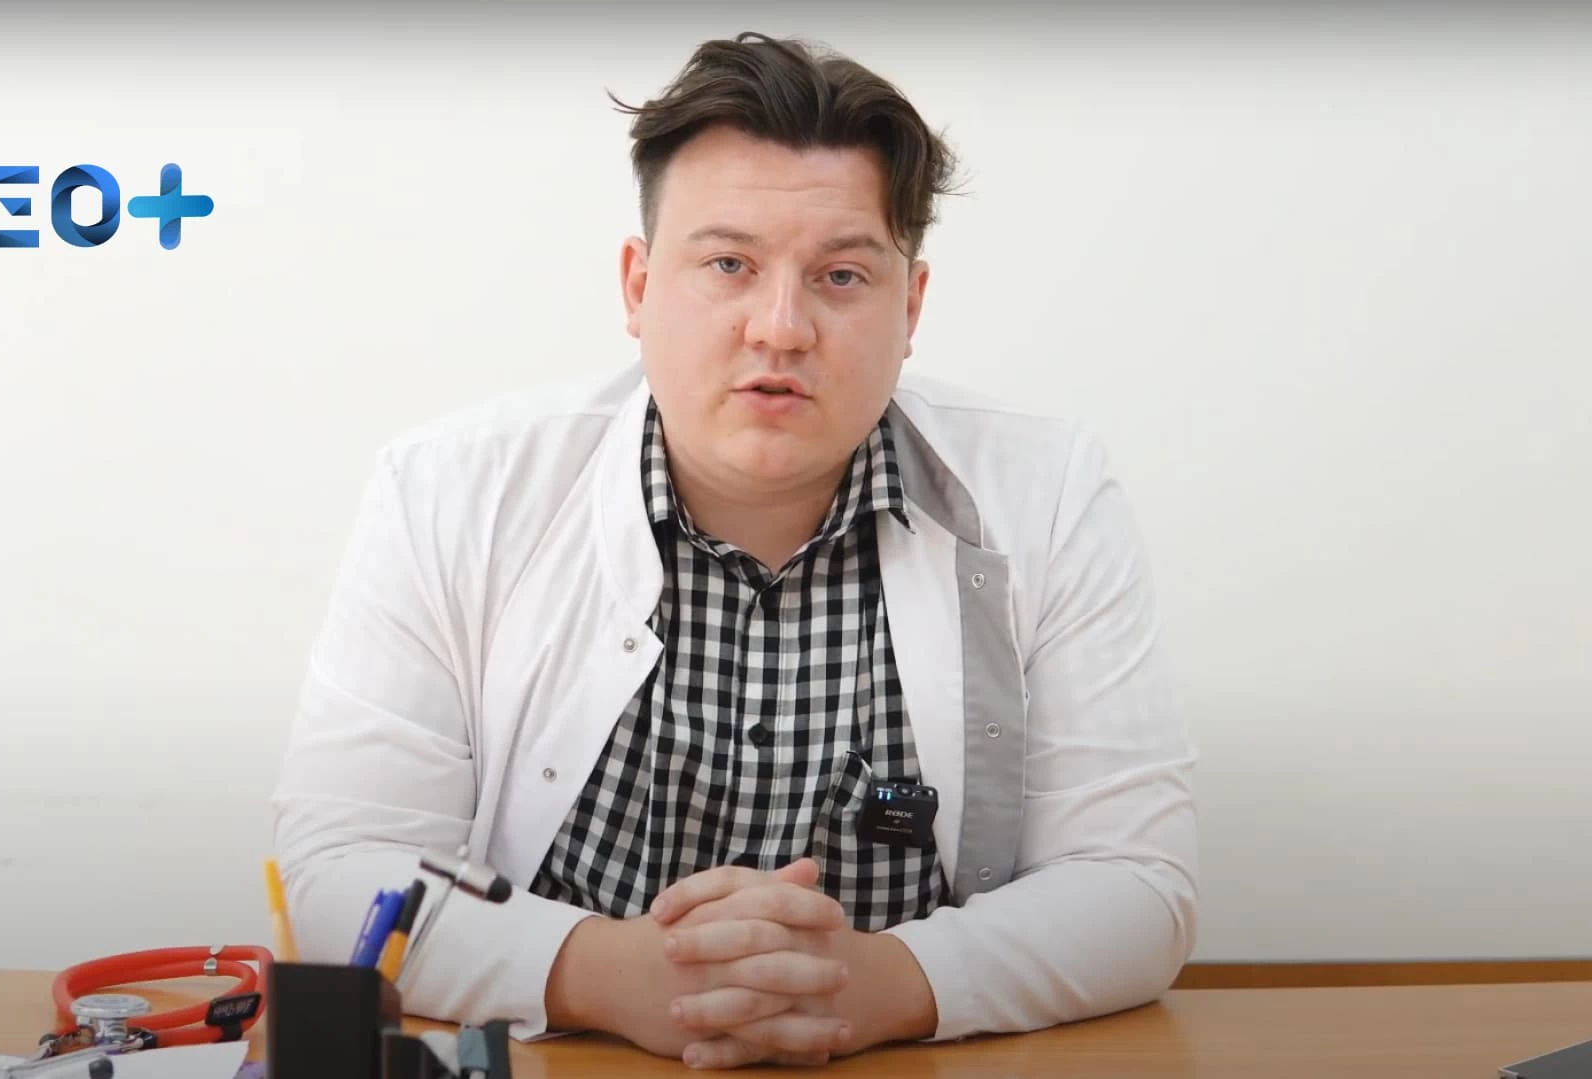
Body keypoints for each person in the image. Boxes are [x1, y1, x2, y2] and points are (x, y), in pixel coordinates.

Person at [271, 30, 1198, 1070]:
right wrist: (603, 970)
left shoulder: (1049, 493)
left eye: (842, 274)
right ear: (637, 287)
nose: (781, 327)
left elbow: (1134, 882)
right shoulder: (450, 489)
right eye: (728, 265)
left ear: (911, 307)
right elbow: (343, 866)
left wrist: (885, 981)